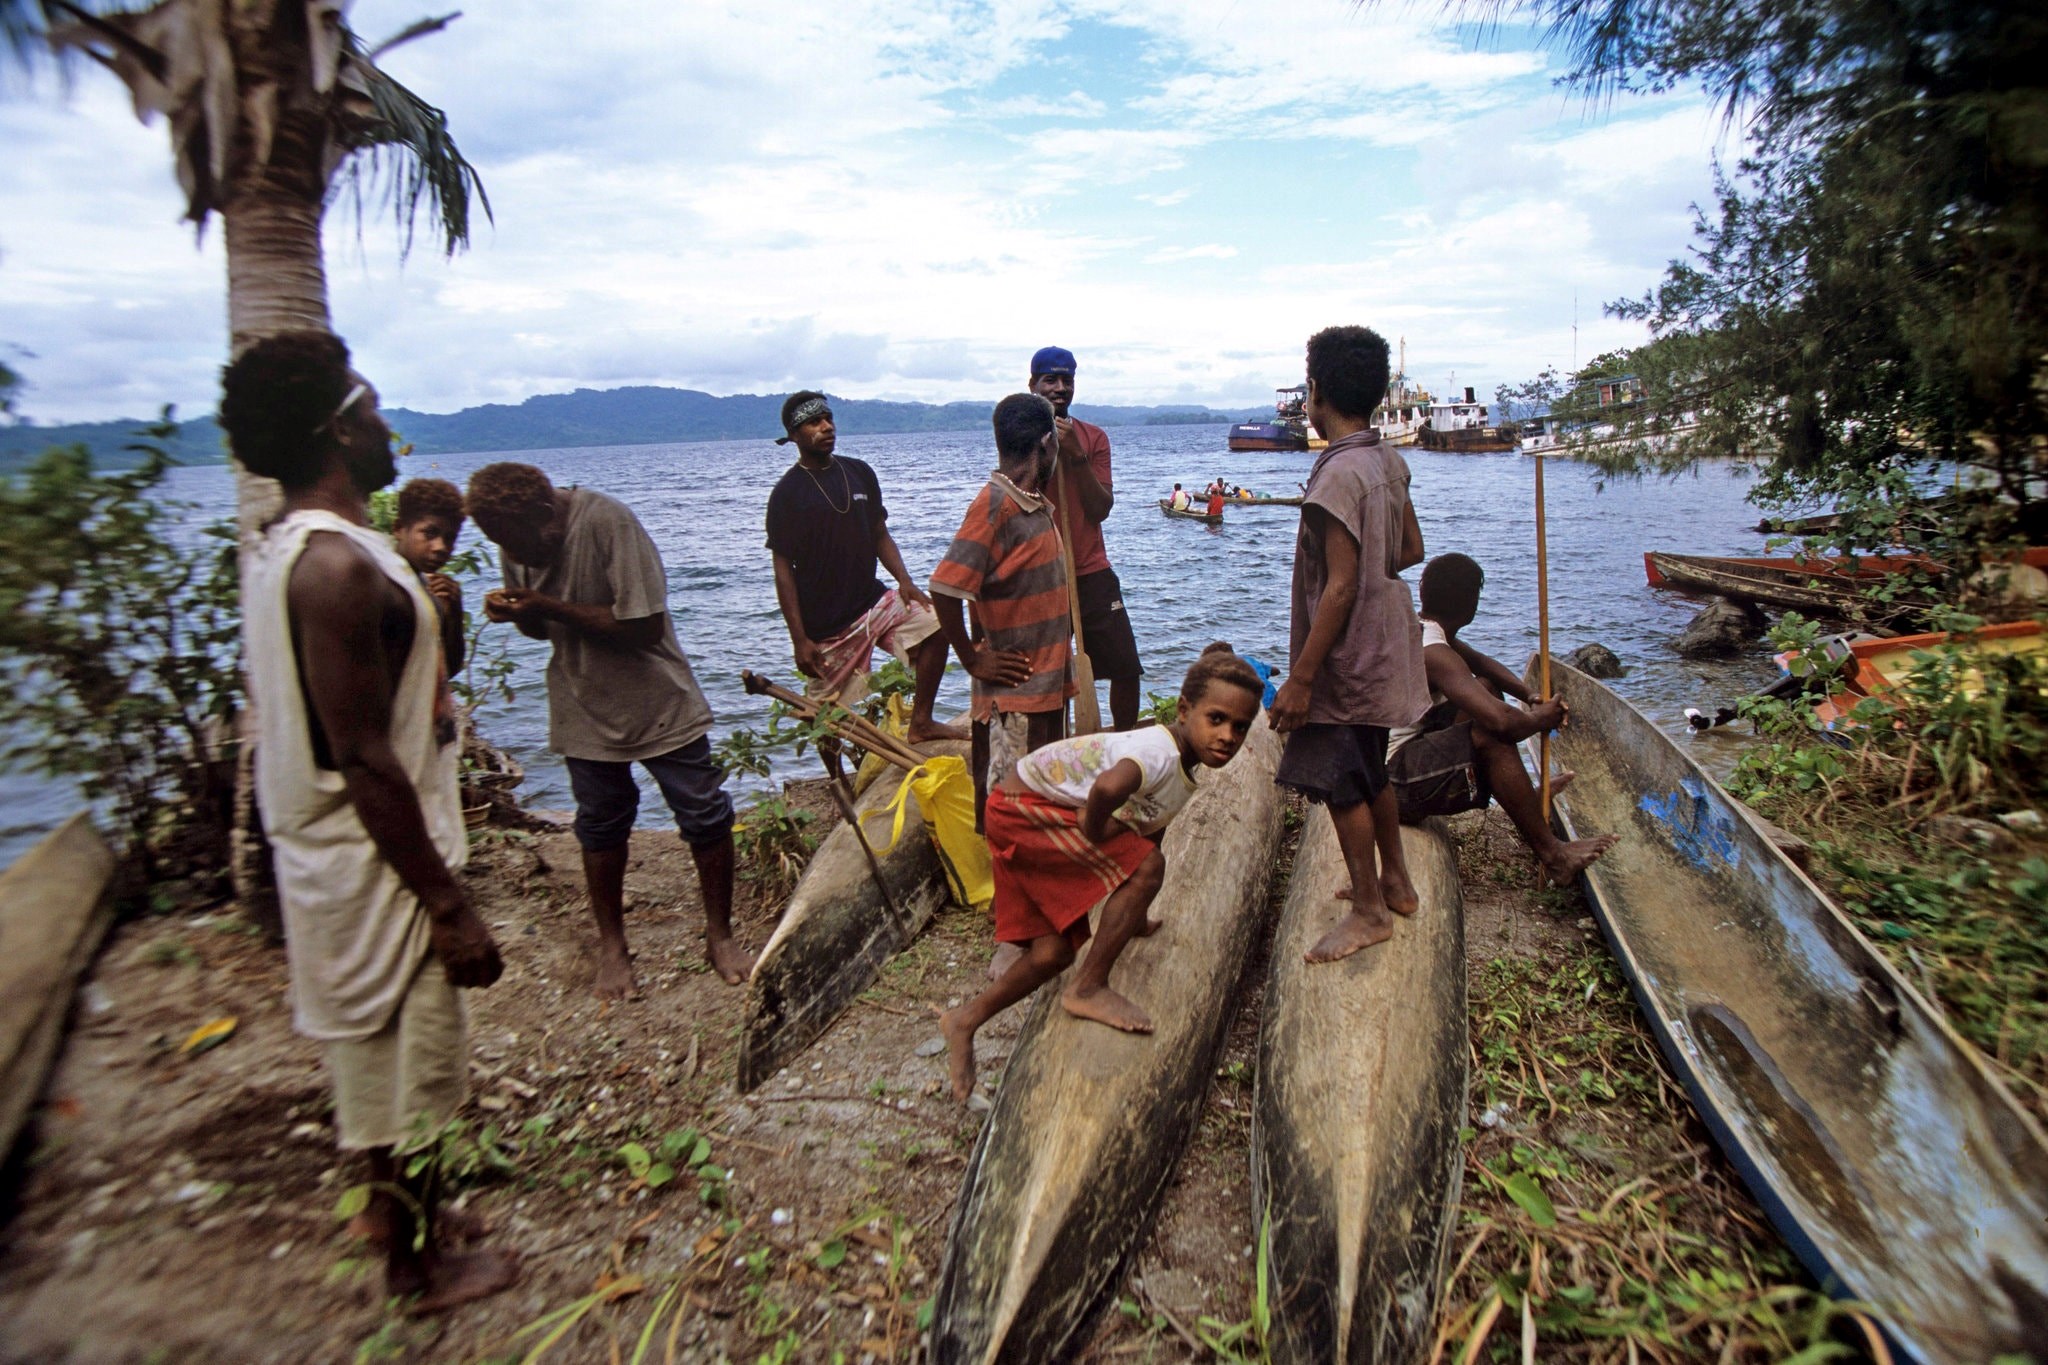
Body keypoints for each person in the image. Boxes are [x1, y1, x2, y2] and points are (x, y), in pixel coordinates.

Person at [221, 331, 517, 1313]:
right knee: (408, 1058)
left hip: (337, 850)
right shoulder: (337, 570)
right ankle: (416, 1267)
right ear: (338, 433)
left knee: (370, 1053)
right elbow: (360, 754)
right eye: (373, 412)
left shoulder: (294, 552)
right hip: (371, 858)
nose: (389, 429)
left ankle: (396, 1217)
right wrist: (445, 901)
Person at [465, 461, 747, 995]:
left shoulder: (608, 522)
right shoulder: (512, 530)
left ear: (547, 514)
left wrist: (545, 604)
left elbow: (642, 626)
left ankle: (720, 935)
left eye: (518, 543)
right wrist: (518, 611)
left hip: (659, 697)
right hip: (583, 701)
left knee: (704, 814)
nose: (514, 556)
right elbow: (539, 629)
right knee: (599, 824)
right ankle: (612, 946)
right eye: (500, 544)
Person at [938, 643, 1265, 1102]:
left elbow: (1149, 825)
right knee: (1150, 868)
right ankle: (1089, 988)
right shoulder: (1158, 753)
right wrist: (1095, 831)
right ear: (1185, 709)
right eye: (1217, 719)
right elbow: (1110, 788)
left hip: (1019, 807)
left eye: (1241, 727)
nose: (1228, 735)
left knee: (1051, 954)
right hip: (1025, 810)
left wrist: (1135, 913)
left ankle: (964, 1021)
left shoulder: (1180, 763)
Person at [1269, 324, 1431, 963]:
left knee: (1340, 780)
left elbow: (1337, 590)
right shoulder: (1388, 460)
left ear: (1315, 393)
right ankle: (1395, 880)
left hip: (1343, 653)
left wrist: (1302, 677)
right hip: (1384, 643)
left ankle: (1369, 911)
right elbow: (1411, 550)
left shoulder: (1335, 478)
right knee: (1370, 767)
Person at [1391, 554, 1620, 880]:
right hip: (1390, 788)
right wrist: (1542, 718)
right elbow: (1503, 724)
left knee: (1485, 689)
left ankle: (1522, 791)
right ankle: (1554, 856)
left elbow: (1484, 666)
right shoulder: (1434, 652)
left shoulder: (1425, 629)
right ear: (1470, 604)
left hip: (1399, 759)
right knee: (1492, 734)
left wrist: (1529, 696)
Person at [764, 391, 964, 748]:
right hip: (825, 626)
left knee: (937, 625)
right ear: (794, 435)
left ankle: (921, 723)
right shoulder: (787, 494)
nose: (826, 427)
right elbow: (783, 570)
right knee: (824, 716)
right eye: (814, 422)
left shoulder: (858, 472)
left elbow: (879, 533)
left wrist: (905, 581)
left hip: (873, 603)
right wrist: (799, 639)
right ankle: (835, 778)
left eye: (828, 418)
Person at [929, 394, 1073, 823]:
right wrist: (973, 659)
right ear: (1046, 442)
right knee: (1011, 813)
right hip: (1015, 699)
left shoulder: (1032, 503)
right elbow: (945, 587)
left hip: (1045, 690)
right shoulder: (996, 504)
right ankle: (1009, 888)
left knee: (1042, 805)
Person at [1030, 346, 1146, 731]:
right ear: (1033, 385)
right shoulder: (1021, 437)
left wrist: (1076, 457)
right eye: (1051, 380)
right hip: (1042, 574)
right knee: (1049, 679)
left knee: (1125, 667)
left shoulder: (1093, 438)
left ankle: (1125, 743)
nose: (1060, 388)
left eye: (1067, 380)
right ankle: (1054, 753)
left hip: (1091, 570)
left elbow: (1100, 509)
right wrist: (1045, 452)